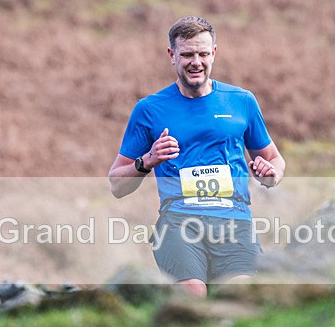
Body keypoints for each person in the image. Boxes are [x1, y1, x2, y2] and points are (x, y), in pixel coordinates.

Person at [108, 15, 285, 297]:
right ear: (172, 55)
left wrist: (270, 174)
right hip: (178, 222)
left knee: (240, 296)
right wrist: (147, 161)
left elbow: (275, 159)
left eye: (203, 54)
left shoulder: (242, 101)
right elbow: (117, 184)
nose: (196, 62)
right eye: (187, 54)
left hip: (234, 221)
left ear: (214, 53)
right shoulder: (150, 109)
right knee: (193, 292)